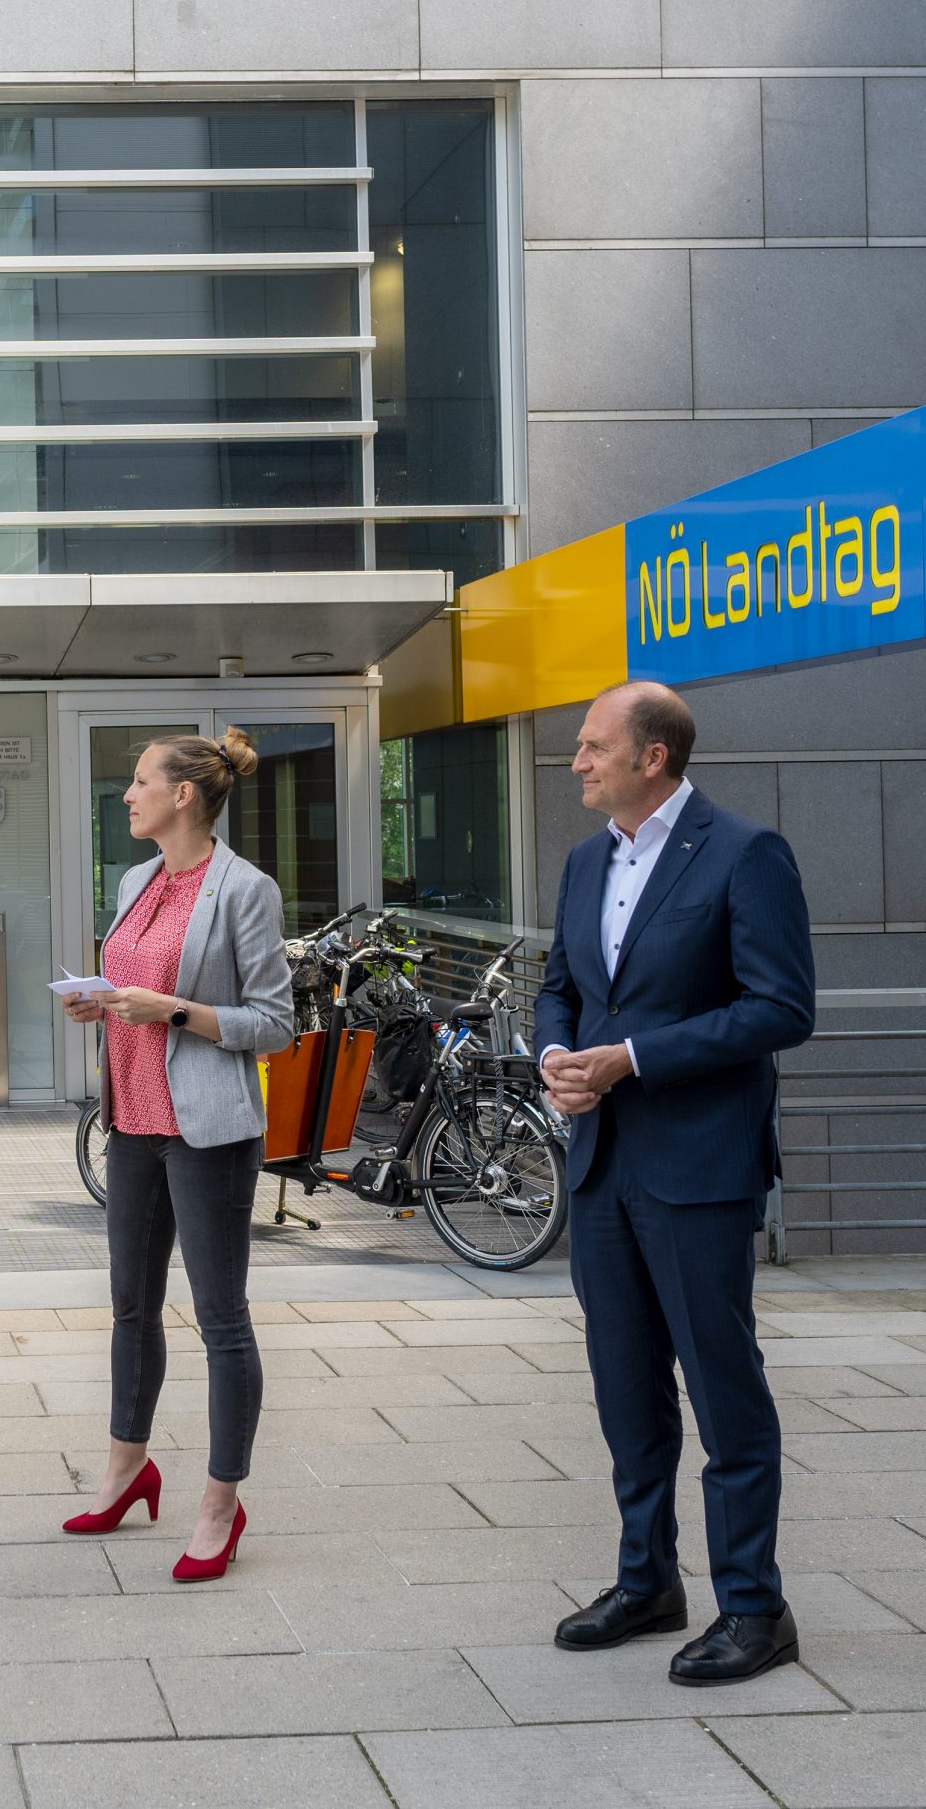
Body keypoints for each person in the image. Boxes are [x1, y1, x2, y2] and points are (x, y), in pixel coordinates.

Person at [537, 681, 815, 1685]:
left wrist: (633, 1059)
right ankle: (647, 1581)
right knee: (626, 1388)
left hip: (699, 1169)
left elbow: (781, 1007)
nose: (577, 761)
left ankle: (754, 1607)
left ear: (652, 757)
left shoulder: (745, 853)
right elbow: (560, 988)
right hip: (602, 1164)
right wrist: (557, 1056)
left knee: (721, 1387)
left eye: (592, 745)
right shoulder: (585, 861)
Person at [59, 731, 292, 1582]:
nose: (128, 795)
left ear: (184, 795)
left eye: (140, 781)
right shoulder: (136, 881)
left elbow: (275, 1023)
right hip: (131, 1123)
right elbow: (135, 988)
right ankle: (127, 1469)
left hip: (207, 1132)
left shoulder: (245, 890)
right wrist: (102, 1004)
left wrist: (174, 1011)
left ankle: (221, 1505)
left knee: (221, 1318)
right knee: (131, 1305)